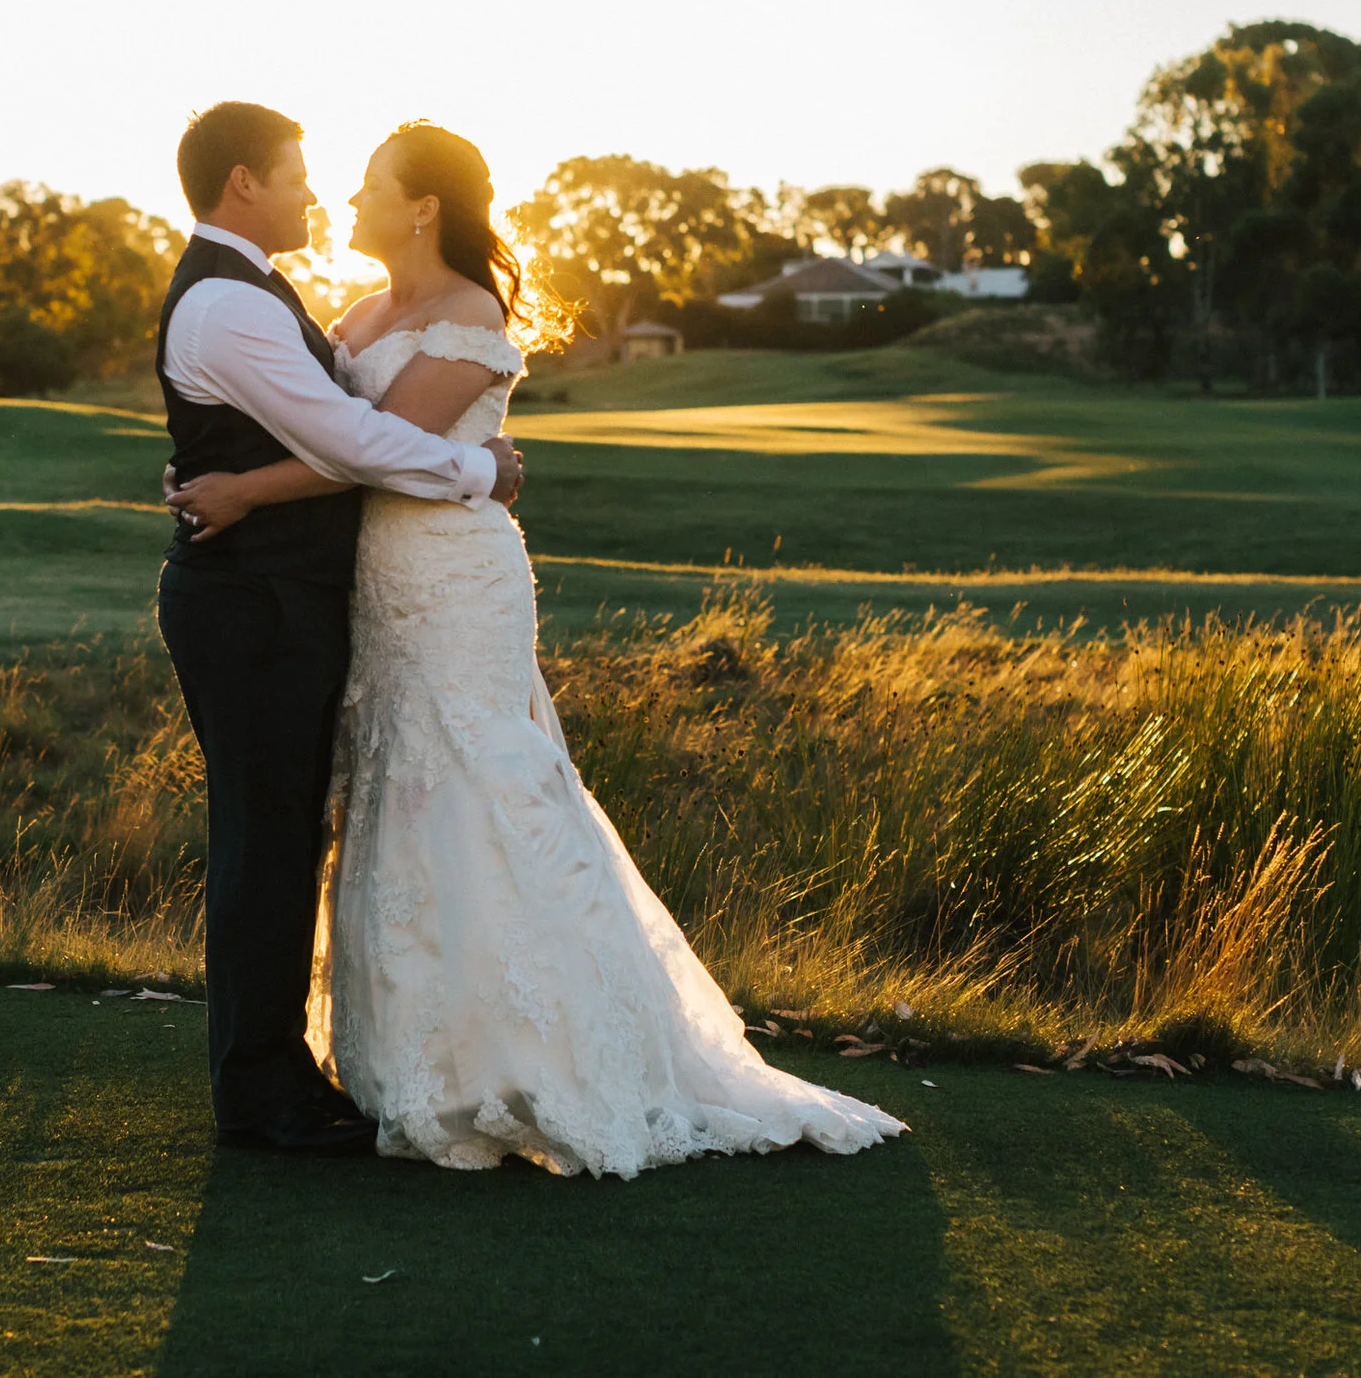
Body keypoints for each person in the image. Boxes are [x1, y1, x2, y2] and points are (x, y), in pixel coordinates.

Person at [169, 122, 904, 1177]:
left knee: (478, 779)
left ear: (421, 205)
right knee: (396, 792)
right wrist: (223, 465)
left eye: (371, 181)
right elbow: (320, 428)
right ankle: (418, 1059)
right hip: (380, 586)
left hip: (452, 576)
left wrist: (244, 489)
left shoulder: (468, 313)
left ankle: (541, 1056)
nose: (348, 196)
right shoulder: (358, 313)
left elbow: (369, 452)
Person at [154, 102, 523, 1157]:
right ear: (242, 188)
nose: (320, 194)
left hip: (348, 590)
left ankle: (294, 1073)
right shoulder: (232, 303)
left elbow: (325, 433)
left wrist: (230, 482)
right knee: (268, 845)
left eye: (347, 180)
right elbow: (359, 438)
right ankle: (263, 1092)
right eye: (302, 175)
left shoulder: (264, 294)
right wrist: (480, 471)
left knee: (303, 834)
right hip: (262, 601)